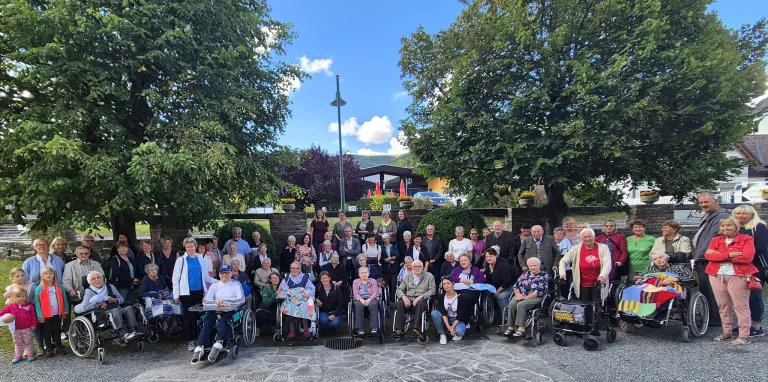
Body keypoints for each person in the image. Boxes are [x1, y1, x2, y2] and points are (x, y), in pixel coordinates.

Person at [705, 217, 757, 345]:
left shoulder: (746, 239)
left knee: (740, 306)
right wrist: (730, 254)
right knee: (723, 305)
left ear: (736, 227)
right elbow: (708, 255)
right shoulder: (716, 239)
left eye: (729, 226)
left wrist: (719, 255)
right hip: (716, 274)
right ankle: (726, 332)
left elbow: (747, 257)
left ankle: (743, 335)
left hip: (738, 275)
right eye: (722, 226)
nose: (725, 228)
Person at [191, 264, 246, 363]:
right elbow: (205, 301)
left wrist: (226, 302)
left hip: (230, 310)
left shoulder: (236, 284)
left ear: (231, 274)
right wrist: (217, 302)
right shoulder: (214, 285)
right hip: (215, 309)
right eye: (223, 273)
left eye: (227, 273)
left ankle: (218, 343)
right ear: (219, 275)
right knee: (207, 323)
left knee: (224, 321)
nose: (225, 275)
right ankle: (200, 347)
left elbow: (241, 299)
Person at [693, 192, 731, 326]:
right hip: (704, 258)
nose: (703, 205)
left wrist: (697, 258)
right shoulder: (711, 215)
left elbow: (712, 239)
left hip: (709, 259)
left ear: (716, 201)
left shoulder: (722, 216)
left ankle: (715, 319)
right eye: (701, 203)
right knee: (706, 289)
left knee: (712, 290)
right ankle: (712, 316)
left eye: (706, 202)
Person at [172, 237, 218, 351]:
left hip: (199, 292)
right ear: (185, 248)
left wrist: (219, 281)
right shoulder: (181, 260)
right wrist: (176, 295)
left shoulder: (200, 258)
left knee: (199, 317)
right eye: (188, 247)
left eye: (192, 246)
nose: (190, 248)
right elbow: (175, 278)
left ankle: (199, 339)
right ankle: (190, 340)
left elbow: (206, 277)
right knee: (188, 317)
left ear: (195, 246)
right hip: (185, 293)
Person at [732, 205, 768, 336]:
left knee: (754, 296)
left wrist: (736, 254)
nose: (740, 216)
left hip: (755, 267)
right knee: (740, 297)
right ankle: (744, 324)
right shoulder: (732, 228)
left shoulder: (759, 227)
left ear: (751, 215)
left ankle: (756, 326)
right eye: (737, 213)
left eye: (744, 214)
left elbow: (760, 248)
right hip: (736, 267)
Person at [76, 271, 140, 343]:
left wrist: (115, 300)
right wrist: (98, 304)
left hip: (116, 307)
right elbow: (84, 307)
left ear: (103, 278)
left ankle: (134, 331)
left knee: (129, 308)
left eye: (99, 277)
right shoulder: (89, 291)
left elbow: (121, 299)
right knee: (115, 310)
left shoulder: (110, 286)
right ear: (90, 282)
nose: (97, 280)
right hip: (102, 313)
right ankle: (123, 334)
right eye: (93, 279)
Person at [558, 228, 612, 303]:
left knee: (597, 308)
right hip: (582, 285)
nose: (587, 239)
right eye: (585, 237)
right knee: (584, 307)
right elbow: (563, 261)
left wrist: (603, 275)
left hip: (598, 284)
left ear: (594, 237)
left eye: (589, 236)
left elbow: (607, 264)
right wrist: (562, 273)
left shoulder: (603, 248)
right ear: (581, 239)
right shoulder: (576, 249)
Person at [503, 257, 550, 337]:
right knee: (512, 304)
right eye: (530, 266)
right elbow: (516, 286)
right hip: (521, 295)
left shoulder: (543, 275)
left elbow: (538, 291)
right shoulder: (525, 273)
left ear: (539, 265)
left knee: (521, 305)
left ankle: (521, 329)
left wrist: (525, 297)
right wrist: (517, 295)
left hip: (536, 297)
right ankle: (511, 327)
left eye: (534, 265)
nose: (532, 267)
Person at [393, 260, 436, 339]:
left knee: (420, 303)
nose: (417, 268)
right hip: (408, 298)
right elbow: (399, 289)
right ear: (412, 268)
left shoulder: (429, 276)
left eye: (419, 266)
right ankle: (399, 329)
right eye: (415, 266)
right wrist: (404, 297)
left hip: (422, 298)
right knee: (400, 303)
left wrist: (420, 297)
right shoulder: (407, 276)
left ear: (422, 267)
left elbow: (432, 290)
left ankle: (416, 329)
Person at [33, 267, 69, 357]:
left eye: (50, 273)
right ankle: (48, 349)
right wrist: (40, 315)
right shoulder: (39, 289)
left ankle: (59, 346)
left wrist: (65, 311)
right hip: (46, 315)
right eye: (46, 274)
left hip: (57, 314)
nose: (48, 275)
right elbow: (37, 303)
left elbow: (65, 299)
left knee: (57, 331)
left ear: (54, 275)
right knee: (46, 332)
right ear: (42, 276)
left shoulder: (60, 287)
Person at [278, 262, 316, 339]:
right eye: (292, 268)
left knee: (304, 305)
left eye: (296, 268)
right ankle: (292, 331)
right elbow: (281, 291)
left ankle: (306, 329)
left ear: (300, 269)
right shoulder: (286, 280)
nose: (294, 270)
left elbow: (311, 289)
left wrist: (302, 293)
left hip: (303, 299)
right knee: (290, 306)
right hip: (291, 300)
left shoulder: (305, 279)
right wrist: (290, 294)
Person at [0, 287, 37, 362]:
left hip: (26, 328)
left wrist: (33, 324)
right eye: (19, 296)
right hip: (15, 329)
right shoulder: (11, 306)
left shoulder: (29, 306)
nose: (21, 298)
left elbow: (33, 316)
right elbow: (2, 312)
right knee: (17, 342)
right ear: (14, 297)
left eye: (23, 296)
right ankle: (18, 355)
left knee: (28, 341)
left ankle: (30, 354)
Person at [450, 254, 487, 322]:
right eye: (461, 261)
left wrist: (473, 281)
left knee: (463, 297)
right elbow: (451, 277)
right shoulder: (456, 270)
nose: (463, 262)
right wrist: (460, 280)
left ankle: (463, 320)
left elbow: (483, 279)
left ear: (469, 261)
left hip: (471, 290)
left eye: (465, 260)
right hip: (457, 289)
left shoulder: (475, 270)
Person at [431, 278, 467, 344]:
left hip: (457, 320)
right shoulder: (441, 297)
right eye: (444, 284)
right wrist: (448, 326)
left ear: (453, 284)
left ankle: (457, 331)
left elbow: (460, 315)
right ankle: (442, 334)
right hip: (446, 319)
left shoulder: (461, 297)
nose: (446, 285)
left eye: (448, 283)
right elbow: (443, 313)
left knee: (459, 332)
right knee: (434, 313)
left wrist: (453, 326)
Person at [484, 248, 516, 313]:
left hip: (511, 286)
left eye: (490, 256)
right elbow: (489, 280)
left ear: (496, 256)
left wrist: (498, 292)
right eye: (487, 257)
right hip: (498, 286)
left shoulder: (502, 265)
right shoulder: (488, 265)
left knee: (501, 297)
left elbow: (507, 281)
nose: (488, 258)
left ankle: (507, 317)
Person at [352, 267, 381, 336]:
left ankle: (374, 328)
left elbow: (376, 292)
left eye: (365, 273)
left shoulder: (373, 281)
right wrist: (361, 300)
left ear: (368, 273)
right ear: (359, 274)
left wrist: (369, 299)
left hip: (372, 298)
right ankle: (359, 329)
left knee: (373, 305)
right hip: (359, 298)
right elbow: (355, 293)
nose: (363, 274)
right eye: (361, 273)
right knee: (359, 305)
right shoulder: (355, 282)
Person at [626, 219, 655, 285]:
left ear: (644, 228)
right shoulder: (628, 239)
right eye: (635, 227)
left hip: (646, 268)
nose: (637, 229)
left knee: (644, 287)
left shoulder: (651, 239)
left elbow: (656, 253)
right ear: (632, 229)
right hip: (631, 268)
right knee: (632, 286)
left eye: (640, 227)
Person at [110, 240, 139, 305]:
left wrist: (136, 279)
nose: (124, 249)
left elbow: (135, 270)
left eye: (126, 247)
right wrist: (131, 279)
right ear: (117, 249)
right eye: (122, 247)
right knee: (122, 303)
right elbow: (117, 273)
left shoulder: (130, 259)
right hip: (121, 286)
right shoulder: (115, 259)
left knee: (131, 304)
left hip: (131, 286)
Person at [381, 234, 398, 300]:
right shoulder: (381, 247)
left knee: (393, 285)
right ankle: (386, 300)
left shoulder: (394, 246)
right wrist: (386, 260)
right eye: (384, 239)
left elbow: (397, 255)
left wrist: (390, 258)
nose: (385, 240)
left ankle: (393, 299)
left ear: (389, 239)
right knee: (386, 285)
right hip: (385, 269)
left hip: (394, 269)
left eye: (387, 238)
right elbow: (381, 257)